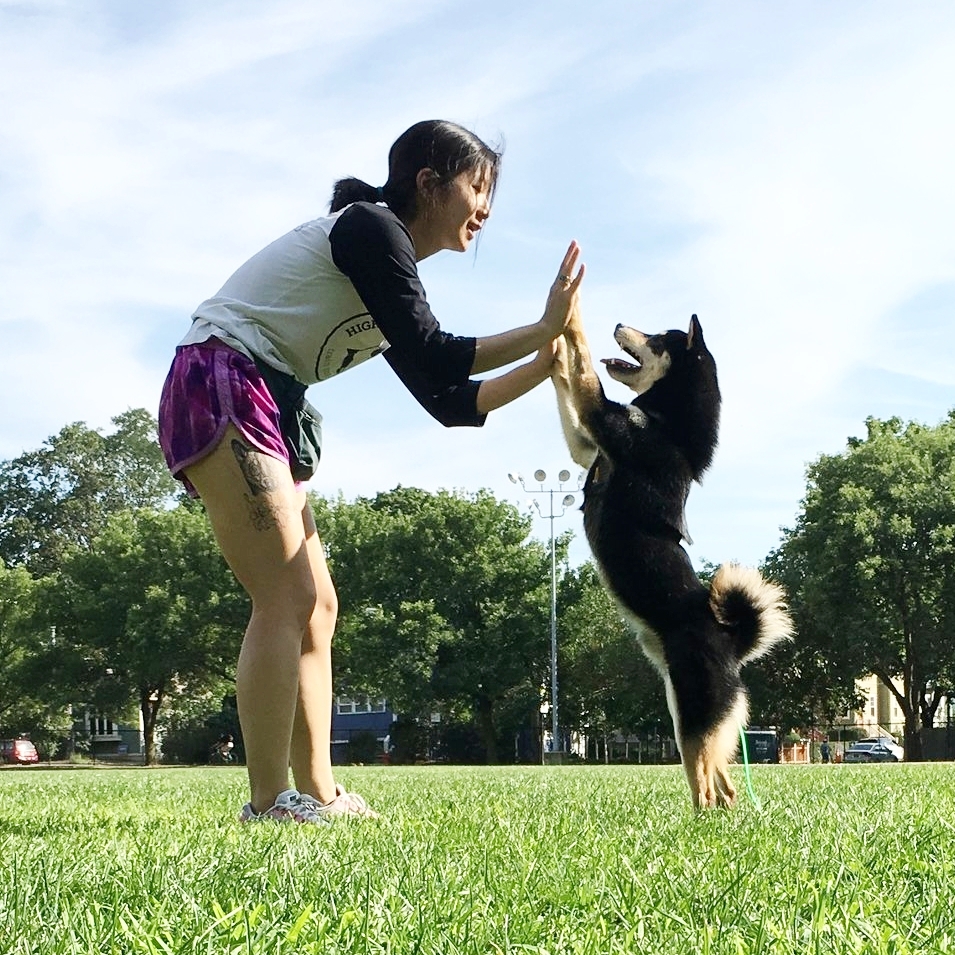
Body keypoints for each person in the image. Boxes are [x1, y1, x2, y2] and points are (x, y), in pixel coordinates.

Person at [157, 119, 584, 825]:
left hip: (266, 393)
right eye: (477, 187)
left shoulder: (385, 270)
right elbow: (438, 349)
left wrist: (546, 362)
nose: (485, 209)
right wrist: (541, 327)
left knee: (317, 604)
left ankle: (318, 792)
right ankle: (267, 804)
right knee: (284, 593)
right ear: (428, 182)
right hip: (222, 373)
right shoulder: (369, 229)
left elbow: (448, 400)